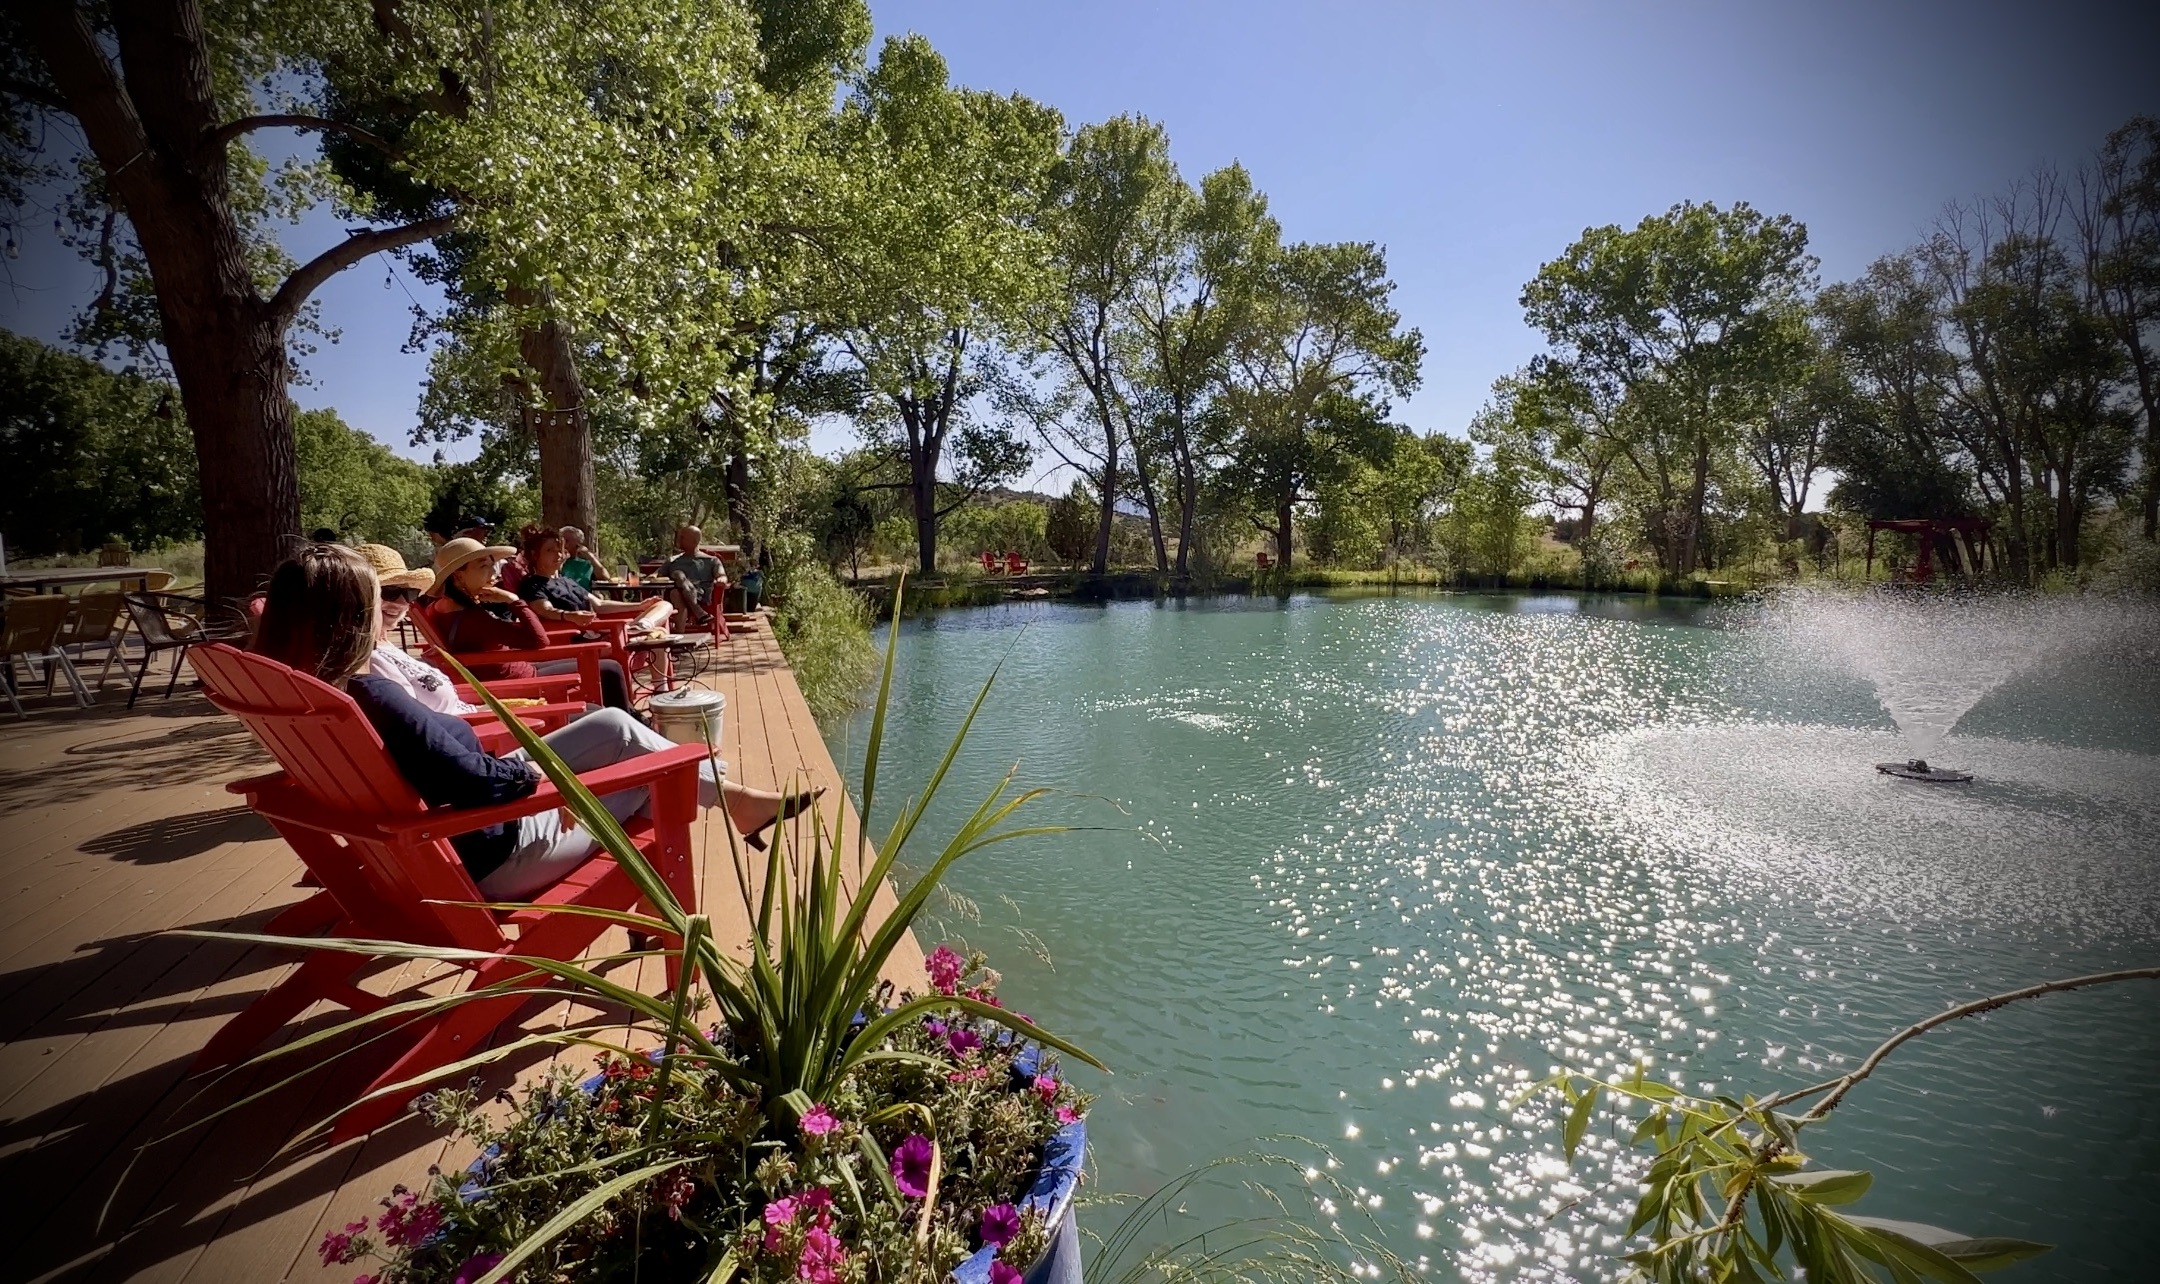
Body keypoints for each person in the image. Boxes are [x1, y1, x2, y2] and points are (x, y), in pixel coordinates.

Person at [251, 545, 818, 900]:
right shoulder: (372, 694)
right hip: (497, 850)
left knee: (615, 728)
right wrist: (541, 786)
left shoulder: (313, 693)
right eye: (382, 599)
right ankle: (668, 910)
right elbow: (470, 782)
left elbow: (451, 770)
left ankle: (735, 801)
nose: (391, 608)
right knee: (655, 771)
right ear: (351, 615)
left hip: (456, 822)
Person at [424, 537, 633, 710]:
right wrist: (513, 601)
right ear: (459, 575)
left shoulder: (438, 608)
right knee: (610, 669)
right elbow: (538, 640)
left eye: (491, 565)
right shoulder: (472, 618)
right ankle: (631, 725)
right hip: (517, 682)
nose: (493, 573)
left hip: (507, 670)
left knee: (601, 667)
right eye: (484, 567)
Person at [663, 524, 728, 629]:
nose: (679, 540)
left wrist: (721, 579)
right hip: (673, 596)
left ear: (693, 540)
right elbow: (655, 576)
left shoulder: (711, 560)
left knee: (678, 579)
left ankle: (680, 636)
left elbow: (721, 574)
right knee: (676, 588)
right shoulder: (673, 560)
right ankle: (699, 613)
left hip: (700, 596)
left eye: (682, 537)